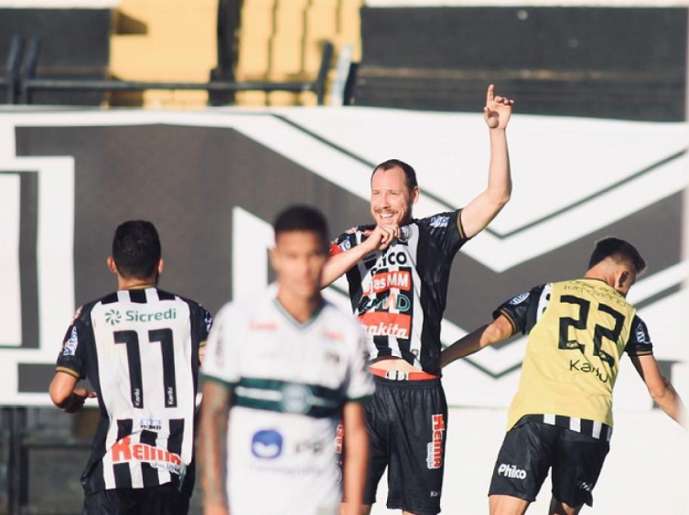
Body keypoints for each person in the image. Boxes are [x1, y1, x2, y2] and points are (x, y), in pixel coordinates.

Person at [325, 84, 515, 514]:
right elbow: (312, 279)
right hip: (366, 392)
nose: (383, 202)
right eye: (376, 193)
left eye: (393, 193)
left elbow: (495, 197)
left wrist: (497, 134)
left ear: (414, 196)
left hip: (421, 392)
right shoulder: (355, 240)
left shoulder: (432, 234)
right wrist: (365, 247)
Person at [440, 238, 683, 515]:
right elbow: (659, 390)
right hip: (589, 426)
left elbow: (494, 332)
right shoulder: (630, 318)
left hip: (536, 416)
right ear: (622, 276)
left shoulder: (548, 294)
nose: (625, 293)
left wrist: (440, 361)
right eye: (629, 285)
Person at [198, 205, 374, 515]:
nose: (304, 269)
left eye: (314, 255)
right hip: (251, 504)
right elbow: (212, 416)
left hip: (318, 505)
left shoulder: (346, 331)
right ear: (275, 256)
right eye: (293, 257)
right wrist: (214, 502)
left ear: (326, 255)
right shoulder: (239, 320)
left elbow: (357, 433)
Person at [49, 220, 212, 515]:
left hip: (112, 473)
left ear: (112, 264)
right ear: (159, 265)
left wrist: (74, 400)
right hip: (169, 473)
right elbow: (217, 372)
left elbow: (60, 393)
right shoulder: (191, 313)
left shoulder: (92, 314)